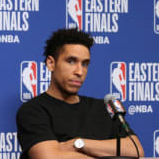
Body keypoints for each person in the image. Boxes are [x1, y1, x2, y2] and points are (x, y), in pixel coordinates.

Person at [16, 28, 144, 159]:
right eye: (71, 61)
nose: (80, 72)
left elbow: (135, 149)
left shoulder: (103, 107)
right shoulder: (33, 111)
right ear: (51, 63)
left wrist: (78, 144)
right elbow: (49, 156)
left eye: (85, 64)